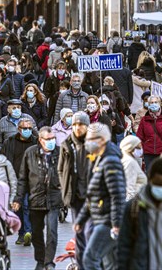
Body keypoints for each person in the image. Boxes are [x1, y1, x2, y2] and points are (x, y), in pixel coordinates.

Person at [74, 123, 126, 270]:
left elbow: (117, 195)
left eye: (91, 139)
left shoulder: (110, 161)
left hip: (107, 220)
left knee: (90, 258)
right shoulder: (98, 159)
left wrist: (116, 224)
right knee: (110, 264)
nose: (87, 142)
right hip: (101, 218)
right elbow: (92, 195)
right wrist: (81, 219)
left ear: (102, 139)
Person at [13, 127, 62, 270]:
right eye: (48, 139)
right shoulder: (30, 153)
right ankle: (40, 260)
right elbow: (23, 178)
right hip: (36, 198)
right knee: (36, 233)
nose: (51, 142)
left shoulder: (60, 153)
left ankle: (49, 262)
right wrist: (18, 199)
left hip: (54, 198)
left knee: (52, 232)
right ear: (40, 140)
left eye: (53, 138)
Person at [58, 111, 91, 269]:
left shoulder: (94, 144)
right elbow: (60, 169)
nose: (78, 127)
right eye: (75, 124)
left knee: (91, 230)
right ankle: (81, 264)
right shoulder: (66, 144)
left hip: (92, 195)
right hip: (74, 195)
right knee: (79, 232)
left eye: (82, 124)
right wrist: (65, 185)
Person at [1, 118, 36, 246]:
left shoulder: (35, 141)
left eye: (29, 128)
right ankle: (22, 234)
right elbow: (3, 159)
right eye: (24, 128)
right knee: (17, 207)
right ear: (18, 129)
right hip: (14, 179)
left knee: (27, 205)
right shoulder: (9, 142)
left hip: (30, 179)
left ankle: (28, 232)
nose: (27, 131)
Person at [137, 95, 162, 171]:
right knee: (150, 174)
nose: (153, 104)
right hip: (148, 153)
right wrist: (143, 148)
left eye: (155, 102)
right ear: (148, 104)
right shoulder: (144, 119)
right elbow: (139, 136)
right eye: (151, 103)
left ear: (159, 103)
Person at [119, 134, 146, 200]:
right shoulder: (130, 162)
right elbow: (129, 187)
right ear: (131, 148)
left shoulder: (129, 159)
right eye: (139, 147)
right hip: (134, 200)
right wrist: (129, 206)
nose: (141, 150)